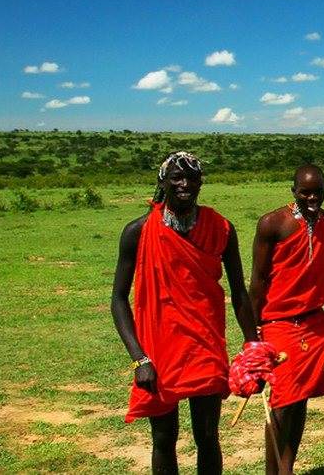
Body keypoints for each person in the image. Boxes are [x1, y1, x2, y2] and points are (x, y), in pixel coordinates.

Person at [111, 151, 256, 475]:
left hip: (204, 346)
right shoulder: (138, 231)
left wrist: (253, 346)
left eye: (192, 178)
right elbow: (118, 300)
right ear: (162, 182)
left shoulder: (220, 229)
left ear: (201, 182)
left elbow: (239, 291)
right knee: (164, 438)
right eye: (176, 177)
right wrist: (139, 359)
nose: (184, 184)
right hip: (157, 352)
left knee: (207, 436)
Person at [248, 164, 324, 475]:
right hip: (279, 323)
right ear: (294, 192)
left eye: (318, 191)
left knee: (302, 398)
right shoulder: (272, 224)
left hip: (314, 323)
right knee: (283, 404)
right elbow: (258, 281)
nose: (312, 197)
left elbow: (320, 269)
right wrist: (253, 339)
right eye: (305, 192)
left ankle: (287, 468)